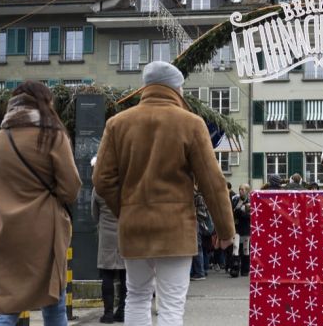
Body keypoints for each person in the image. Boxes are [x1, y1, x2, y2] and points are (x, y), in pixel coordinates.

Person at [93, 61, 235, 326]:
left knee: (136, 295)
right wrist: (226, 232)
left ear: (146, 87)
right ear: (177, 89)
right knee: (171, 303)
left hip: (134, 227)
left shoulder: (117, 123)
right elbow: (212, 183)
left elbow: (102, 180)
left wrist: (126, 211)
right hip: (175, 228)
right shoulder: (191, 123)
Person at [0, 81, 82, 325]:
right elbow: (71, 188)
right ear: (45, 103)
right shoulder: (52, 135)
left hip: (2, 229)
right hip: (43, 231)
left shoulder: (0, 138)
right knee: (54, 303)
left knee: (4, 307)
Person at [91, 157, 127, 323]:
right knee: (125, 274)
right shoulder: (124, 187)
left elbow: (94, 214)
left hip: (106, 235)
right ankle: (122, 311)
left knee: (107, 273)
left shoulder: (98, 189)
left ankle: (108, 313)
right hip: (124, 234)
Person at [230, 184, 252, 277]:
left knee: (246, 248)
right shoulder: (235, 200)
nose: (240, 191)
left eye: (242, 189)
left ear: (247, 190)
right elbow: (232, 211)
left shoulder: (251, 201)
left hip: (246, 227)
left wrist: (240, 213)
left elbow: (250, 215)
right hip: (237, 226)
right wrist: (240, 212)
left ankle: (245, 269)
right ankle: (234, 268)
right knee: (235, 246)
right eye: (240, 189)